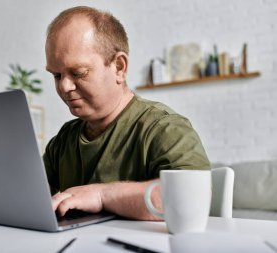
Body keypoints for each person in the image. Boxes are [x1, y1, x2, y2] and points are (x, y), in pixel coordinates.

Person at [44, 6, 210, 221]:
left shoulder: (164, 128)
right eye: (57, 75)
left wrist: (102, 195)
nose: (64, 86)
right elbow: (27, 193)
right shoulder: (65, 139)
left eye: (78, 73)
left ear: (119, 67)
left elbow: (192, 197)